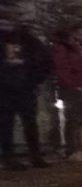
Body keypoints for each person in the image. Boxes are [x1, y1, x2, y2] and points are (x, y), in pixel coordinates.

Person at [1, 25, 51, 171]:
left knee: (29, 123)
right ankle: (9, 158)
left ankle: (35, 155)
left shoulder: (28, 40)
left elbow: (44, 60)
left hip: (25, 89)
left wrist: (34, 79)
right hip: (4, 90)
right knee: (6, 124)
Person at [53, 25, 82, 162]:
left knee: (80, 120)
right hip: (71, 89)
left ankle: (80, 149)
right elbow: (63, 69)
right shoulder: (64, 49)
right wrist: (74, 85)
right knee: (72, 120)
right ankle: (71, 150)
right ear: (74, 35)